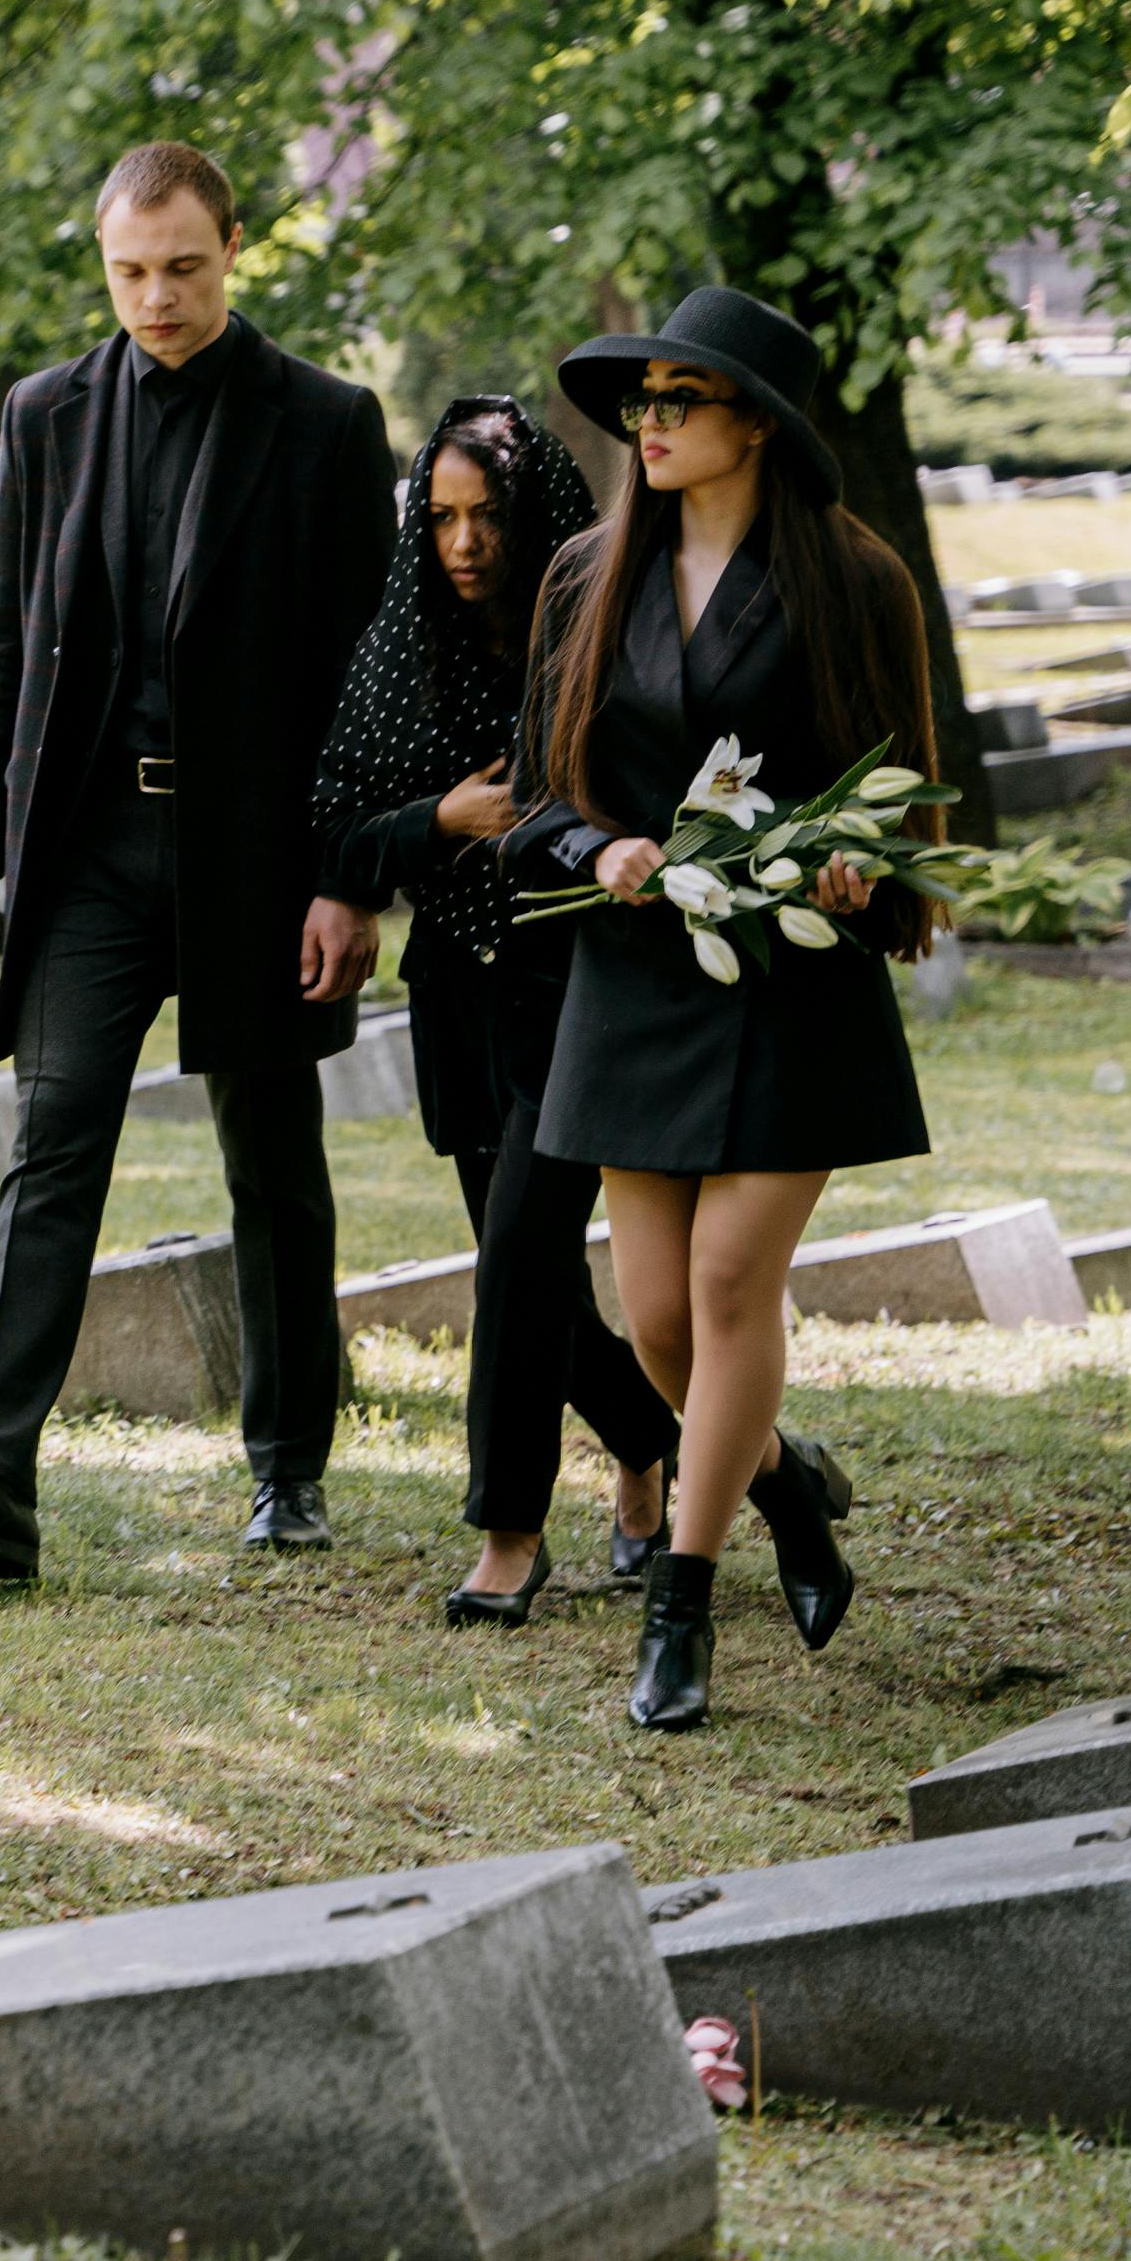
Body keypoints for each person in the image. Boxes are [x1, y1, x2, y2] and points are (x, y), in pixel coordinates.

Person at [0, 141, 395, 1584]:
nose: (155, 297)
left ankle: (290, 1468)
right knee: (53, 1145)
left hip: (260, 856)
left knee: (271, 1161)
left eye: (184, 268)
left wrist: (348, 877)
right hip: (91, 844)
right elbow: (0, 645)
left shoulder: (329, 424)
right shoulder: (45, 415)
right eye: (128, 271)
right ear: (102, 258)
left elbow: (369, 681)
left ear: (234, 251)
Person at [521, 288, 943, 1733]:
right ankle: (787, 1490)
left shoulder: (852, 578)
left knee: (725, 1289)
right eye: (637, 403)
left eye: (675, 401)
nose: (645, 425)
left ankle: (679, 1610)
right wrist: (602, 848)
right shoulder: (588, 573)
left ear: (753, 418)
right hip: (639, 975)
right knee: (655, 1324)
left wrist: (854, 860)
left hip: (791, 980)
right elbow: (537, 799)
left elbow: (902, 786)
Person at [308, 395, 677, 1626]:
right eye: (442, 517)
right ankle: (654, 1445)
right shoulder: (398, 643)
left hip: (575, 989)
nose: (462, 542)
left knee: (519, 1254)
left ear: (540, 521)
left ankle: (506, 1536)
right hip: (456, 996)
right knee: (530, 1282)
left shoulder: (602, 636)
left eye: (486, 516)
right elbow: (340, 833)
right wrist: (438, 821)